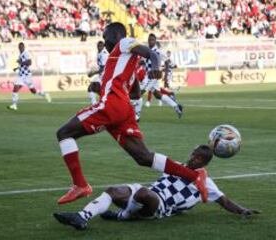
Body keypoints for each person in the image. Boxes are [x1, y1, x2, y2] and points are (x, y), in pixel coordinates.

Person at [56, 22, 207, 205]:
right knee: (142, 157)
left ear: (116, 34)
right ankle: (194, 176)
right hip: (123, 110)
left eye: (106, 36)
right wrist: (100, 87)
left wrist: (154, 67)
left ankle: (80, 185)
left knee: (64, 133)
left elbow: (150, 53)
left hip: (112, 106)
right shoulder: (126, 61)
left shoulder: (124, 42)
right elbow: (135, 93)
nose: (105, 40)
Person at [53, 144, 260, 230]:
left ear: (205, 163)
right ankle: (82, 217)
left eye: (200, 158)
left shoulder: (205, 182)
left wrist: (242, 210)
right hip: (148, 194)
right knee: (113, 191)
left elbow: (224, 201)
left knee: (144, 193)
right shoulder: (177, 166)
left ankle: (122, 215)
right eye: (194, 154)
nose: (194, 159)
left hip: (161, 208)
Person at [132, 34, 183, 121]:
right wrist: (137, 64)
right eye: (149, 40)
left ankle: (137, 115)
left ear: (155, 41)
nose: (150, 41)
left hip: (152, 76)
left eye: (152, 40)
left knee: (139, 93)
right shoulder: (147, 51)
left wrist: (166, 76)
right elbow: (143, 62)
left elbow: (167, 62)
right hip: (149, 75)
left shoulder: (159, 51)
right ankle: (176, 106)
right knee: (158, 95)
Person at [7, 42, 51, 111]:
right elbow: (23, 65)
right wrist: (17, 68)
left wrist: (21, 62)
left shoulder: (26, 53)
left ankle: (45, 94)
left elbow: (29, 62)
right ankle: (14, 105)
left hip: (27, 75)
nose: (20, 48)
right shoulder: (20, 55)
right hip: (21, 75)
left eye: (21, 47)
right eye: (19, 47)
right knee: (15, 89)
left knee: (33, 91)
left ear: (24, 47)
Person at [87, 41, 109, 105]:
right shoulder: (99, 53)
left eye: (101, 46)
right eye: (98, 46)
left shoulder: (104, 54)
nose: (99, 47)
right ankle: (96, 105)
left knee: (91, 88)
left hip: (105, 76)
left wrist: (93, 73)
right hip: (101, 75)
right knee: (100, 93)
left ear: (103, 46)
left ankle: (94, 105)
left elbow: (103, 68)